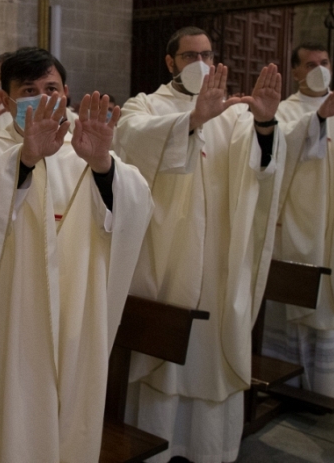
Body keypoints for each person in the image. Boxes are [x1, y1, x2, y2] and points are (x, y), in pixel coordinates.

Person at [0, 47, 153, 462]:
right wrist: (25, 159)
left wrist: (103, 166)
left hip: (75, 316)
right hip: (7, 317)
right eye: (29, 90)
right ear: (8, 99)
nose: (43, 97)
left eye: (51, 87)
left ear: (67, 92)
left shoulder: (89, 149)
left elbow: (136, 206)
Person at [114, 27, 286, 463]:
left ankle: (209, 449)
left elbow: (261, 171)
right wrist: (191, 120)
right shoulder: (146, 105)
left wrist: (265, 122)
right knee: (166, 357)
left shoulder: (233, 113)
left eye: (207, 55)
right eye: (190, 55)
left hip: (220, 260)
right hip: (168, 256)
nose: (200, 63)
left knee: (209, 353)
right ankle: (153, 446)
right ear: (170, 63)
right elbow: (130, 140)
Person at [263, 42, 334, 398]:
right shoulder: (286, 111)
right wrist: (318, 118)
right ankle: (292, 386)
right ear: (295, 72)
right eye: (309, 64)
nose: (319, 69)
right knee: (302, 299)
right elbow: (278, 150)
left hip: (333, 228)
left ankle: (326, 387)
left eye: (323, 62)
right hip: (300, 226)